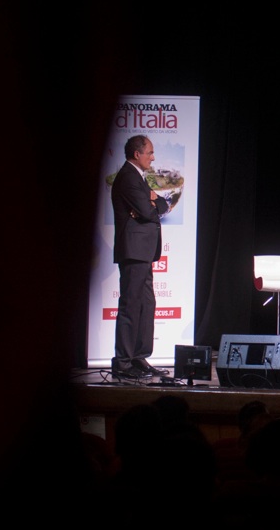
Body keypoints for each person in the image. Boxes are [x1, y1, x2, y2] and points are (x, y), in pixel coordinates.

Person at [110, 135, 169, 380]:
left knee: (146, 305)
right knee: (131, 306)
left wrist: (154, 202)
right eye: (150, 153)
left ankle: (138, 357)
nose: (153, 157)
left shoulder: (139, 179)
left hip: (143, 252)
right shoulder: (128, 177)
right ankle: (123, 362)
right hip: (133, 251)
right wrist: (151, 204)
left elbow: (162, 205)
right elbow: (147, 211)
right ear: (137, 154)